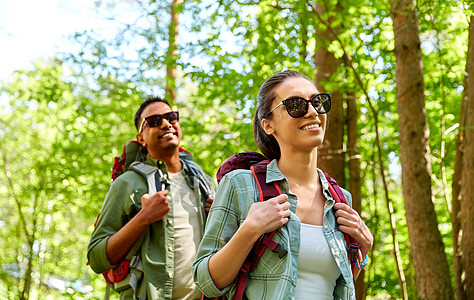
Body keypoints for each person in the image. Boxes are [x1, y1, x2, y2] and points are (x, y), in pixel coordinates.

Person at [193, 70, 373, 299]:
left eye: (318, 102)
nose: (312, 111)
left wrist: (363, 250)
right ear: (268, 125)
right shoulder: (241, 185)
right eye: (295, 105)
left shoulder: (340, 199)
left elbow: (336, 285)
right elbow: (205, 281)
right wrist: (250, 230)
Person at [88, 97, 215, 300]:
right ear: (141, 139)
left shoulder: (202, 180)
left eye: (171, 117)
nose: (166, 123)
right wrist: (143, 218)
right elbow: (96, 258)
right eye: (154, 121)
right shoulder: (127, 184)